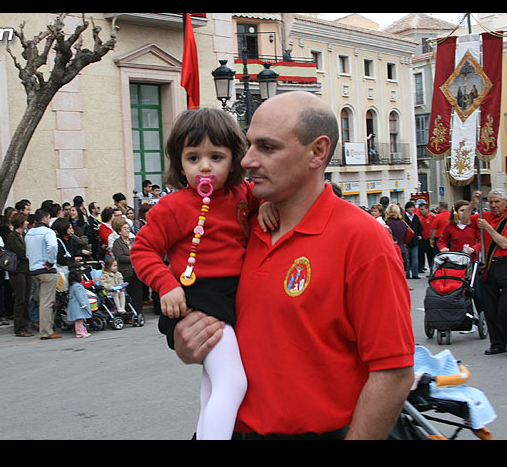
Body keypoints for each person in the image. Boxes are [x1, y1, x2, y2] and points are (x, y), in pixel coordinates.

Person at [171, 92, 415, 440]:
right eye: (249, 144)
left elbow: (394, 371)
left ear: (317, 152)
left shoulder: (363, 239)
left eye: (267, 148)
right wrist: (187, 341)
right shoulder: (242, 228)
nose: (247, 160)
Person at [131, 107, 276, 440]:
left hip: (229, 297)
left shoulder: (244, 195)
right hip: (196, 298)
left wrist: (266, 205)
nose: (205, 167)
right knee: (233, 381)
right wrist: (166, 285)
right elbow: (142, 250)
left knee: (213, 383)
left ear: (235, 159)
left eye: (216, 156)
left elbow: (265, 201)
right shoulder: (172, 206)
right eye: (193, 157)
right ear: (179, 163)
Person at [460, 189, 507, 355]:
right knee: (490, 308)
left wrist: (487, 228)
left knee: (504, 309)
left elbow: (504, 243)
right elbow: (463, 220)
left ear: (505, 203)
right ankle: (497, 343)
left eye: (497, 202)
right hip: (487, 266)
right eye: (491, 202)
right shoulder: (484, 216)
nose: (493, 205)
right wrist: (472, 202)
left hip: (505, 264)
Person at [25, 208, 60, 340]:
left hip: (34, 268)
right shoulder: (47, 231)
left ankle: (46, 328)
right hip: (46, 269)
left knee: (42, 300)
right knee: (47, 302)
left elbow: (27, 251)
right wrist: (50, 262)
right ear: (45, 218)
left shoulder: (29, 233)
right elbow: (52, 246)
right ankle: (46, 331)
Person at [5, 212, 34, 337]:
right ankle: (19, 327)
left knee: (26, 299)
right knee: (20, 299)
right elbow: (22, 252)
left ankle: (26, 324)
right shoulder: (12, 237)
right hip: (17, 271)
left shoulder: (24, 236)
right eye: (26, 221)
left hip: (26, 270)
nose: (27, 223)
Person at [112, 215, 144, 315]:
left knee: (138, 293)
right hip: (126, 271)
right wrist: (134, 258)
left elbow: (139, 251)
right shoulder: (117, 243)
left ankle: (138, 312)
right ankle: (128, 313)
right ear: (119, 231)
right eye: (124, 229)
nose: (127, 230)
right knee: (127, 293)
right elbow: (120, 257)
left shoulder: (133, 240)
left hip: (137, 271)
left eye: (128, 228)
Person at [66, 266, 92, 338]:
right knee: (79, 320)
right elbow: (80, 296)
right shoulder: (77, 286)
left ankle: (83, 331)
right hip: (78, 306)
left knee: (80, 320)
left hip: (76, 305)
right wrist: (83, 304)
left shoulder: (73, 286)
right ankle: (80, 333)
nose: (83, 277)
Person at [403, 201, 422, 279]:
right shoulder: (404, 217)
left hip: (415, 240)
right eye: (410, 207)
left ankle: (415, 274)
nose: (412, 209)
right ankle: (407, 274)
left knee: (415, 258)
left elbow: (419, 227)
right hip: (406, 240)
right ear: (406, 209)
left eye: (413, 207)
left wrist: (419, 235)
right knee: (407, 259)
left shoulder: (415, 217)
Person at [417, 201, 436, 273]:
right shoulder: (421, 218)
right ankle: (430, 270)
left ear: (427, 209)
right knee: (428, 256)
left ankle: (433, 270)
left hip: (431, 239)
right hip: (424, 240)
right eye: (420, 209)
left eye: (422, 209)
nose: (420, 211)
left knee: (432, 256)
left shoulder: (432, 216)